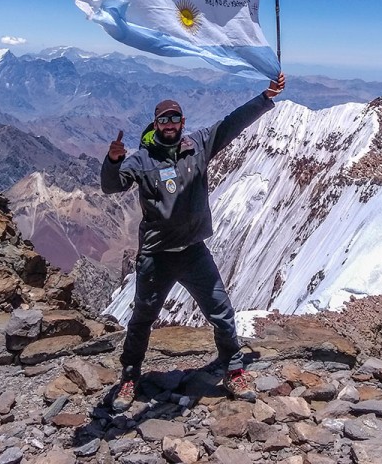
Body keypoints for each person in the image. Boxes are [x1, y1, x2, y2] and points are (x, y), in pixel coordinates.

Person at [101, 73, 286, 412]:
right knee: (143, 317)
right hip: (156, 256)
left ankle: (233, 369)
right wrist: (113, 161)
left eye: (174, 118)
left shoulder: (199, 144)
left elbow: (233, 123)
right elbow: (112, 187)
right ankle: (130, 376)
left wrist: (265, 97)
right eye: (163, 119)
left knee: (221, 312)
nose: (169, 124)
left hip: (194, 252)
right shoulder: (142, 160)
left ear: (182, 122)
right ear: (155, 124)